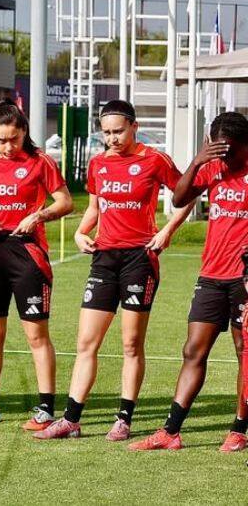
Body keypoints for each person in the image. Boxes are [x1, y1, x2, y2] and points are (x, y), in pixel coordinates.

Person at [35, 100, 191, 442]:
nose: (112, 139)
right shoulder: (99, 164)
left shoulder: (155, 159)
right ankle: (71, 420)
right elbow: (95, 208)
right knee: (86, 342)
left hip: (140, 259)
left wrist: (167, 231)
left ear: (134, 127)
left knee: (131, 343)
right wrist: (80, 233)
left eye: (118, 131)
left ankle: (124, 419)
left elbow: (187, 194)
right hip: (104, 259)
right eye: (106, 133)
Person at [130, 112, 248, 452]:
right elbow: (179, 199)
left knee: (244, 353)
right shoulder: (212, 167)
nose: (225, 158)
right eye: (219, 150)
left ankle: (239, 429)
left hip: (243, 280)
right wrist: (198, 161)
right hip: (211, 275)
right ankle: (170, 431)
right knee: (193, 350)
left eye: (231, 151)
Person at [0, 99, 73, 429]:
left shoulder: (40, 161)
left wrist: (39, 216)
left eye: (14, 138)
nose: (8, 146)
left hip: (27, 254)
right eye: (1, 140)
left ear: (24, 131)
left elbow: (65, 202)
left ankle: (46, 409)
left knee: (36, 335)